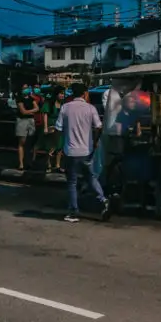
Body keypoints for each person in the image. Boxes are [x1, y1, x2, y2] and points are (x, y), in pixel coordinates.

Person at [55, 82, 110, 222]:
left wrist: (60, 145)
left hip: (70, 151)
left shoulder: (65, 108)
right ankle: (103, 200)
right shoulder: (90, 108)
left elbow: (58, 128)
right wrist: (95, 141)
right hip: (87, 150)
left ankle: (73, 211)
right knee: (91, 177)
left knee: (72, 182)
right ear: (85, 94)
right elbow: (99, 127)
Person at [41, 85, 65, 172]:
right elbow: (45, 115)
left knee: (59, 146)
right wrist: (45, 127)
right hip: (51, 125)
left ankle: (58, 165)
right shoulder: (49, 103)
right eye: (61, 93)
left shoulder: (63, 104)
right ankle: (49, 165)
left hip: (60, 126)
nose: (62, 95)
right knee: (49, 146)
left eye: (63, 94)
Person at [15, 85, 38, 171]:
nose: (26, 89)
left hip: (31, 121)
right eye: (24, 88)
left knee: (30, 142)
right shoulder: (19, 99)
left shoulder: (31, 99)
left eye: (27, 88)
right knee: (22, 141)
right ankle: (21, 163)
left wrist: (28, 112)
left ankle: (29, 162)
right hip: (22, 121)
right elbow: (23, 111)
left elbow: (37, 108)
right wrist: (31, 112)